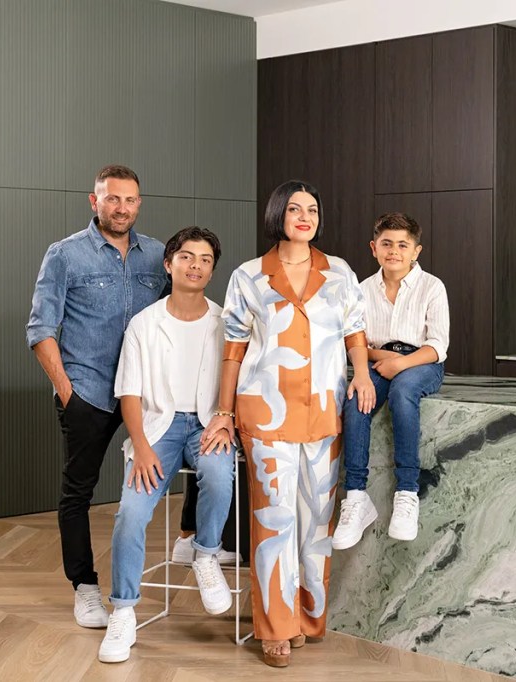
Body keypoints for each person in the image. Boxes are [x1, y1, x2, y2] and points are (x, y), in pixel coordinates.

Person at [199, 180, 375, 668]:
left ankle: (305, 618)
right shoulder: (249, 276)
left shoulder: (338, 272)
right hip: (265, 413)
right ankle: (274, 628)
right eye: (295, 208)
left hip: (324, 412)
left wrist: (361, 374)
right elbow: (233, 348)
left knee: (316, 524)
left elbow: (354, 330)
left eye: (312, 209)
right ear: (279, 214)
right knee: (274, 521)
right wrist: (223, 411)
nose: (305, 216)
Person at [27, 165, 167, 628]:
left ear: (138, 204)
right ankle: (85, 589)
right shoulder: (65, 255)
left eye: (129, 200)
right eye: (112, 199)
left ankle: (193, 540)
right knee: (78, 492)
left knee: (198, 454)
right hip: (88, 393)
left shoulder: (159, 257)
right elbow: (41, 328)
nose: (121, 208)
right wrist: (67, 393)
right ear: (95, 201)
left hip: (145, 394)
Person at [98, 226, 235, 663]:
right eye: (187, 257)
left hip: (208, 423)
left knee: (217, 473)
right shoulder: (144, 324)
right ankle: (123, 610)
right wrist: (140, 445)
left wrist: (225, 419)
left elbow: (235, 380)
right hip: (157, 428)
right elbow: (130, 393)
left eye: (206, 259)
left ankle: (206, 555)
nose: (196, 266)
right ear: (168, 263)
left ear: (213, 268)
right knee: (130, 515)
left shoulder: (224, 321)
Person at [332, 212, 449, 549]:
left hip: (421, 362)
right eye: (386, 244)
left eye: (402, 245)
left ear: (416, 251)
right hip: (379, 360)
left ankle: (407, 492)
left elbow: (437, 346)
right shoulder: (362, 290)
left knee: (403, 393)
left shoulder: (432, 287)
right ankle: (355, 496)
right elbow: (356, 341)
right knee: (356, 401)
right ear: (373, 248)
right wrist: (382, 361)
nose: (394, 251)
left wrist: (401, 364)